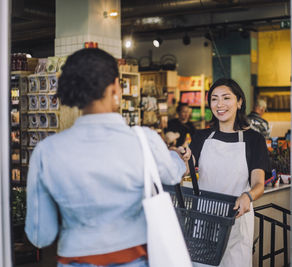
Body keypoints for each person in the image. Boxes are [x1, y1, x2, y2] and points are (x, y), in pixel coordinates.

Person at [24, 48, 191, 267]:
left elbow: (40, 235)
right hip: (134, 258)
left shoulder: (46, 151)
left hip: (74, 258)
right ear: (115, 87)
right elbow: (172, 174)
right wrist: (179, 157)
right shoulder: (143, 140)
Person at [189, 78, 268, 267]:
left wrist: (248, 196)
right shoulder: (201, 137)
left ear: (239, 102)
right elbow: (187, 166)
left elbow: (259, 183)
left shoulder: (254, 139)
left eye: (226, 98)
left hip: (236, 220)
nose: (220, 104)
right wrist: (181, 157)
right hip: (205, 219)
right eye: (214, 99)